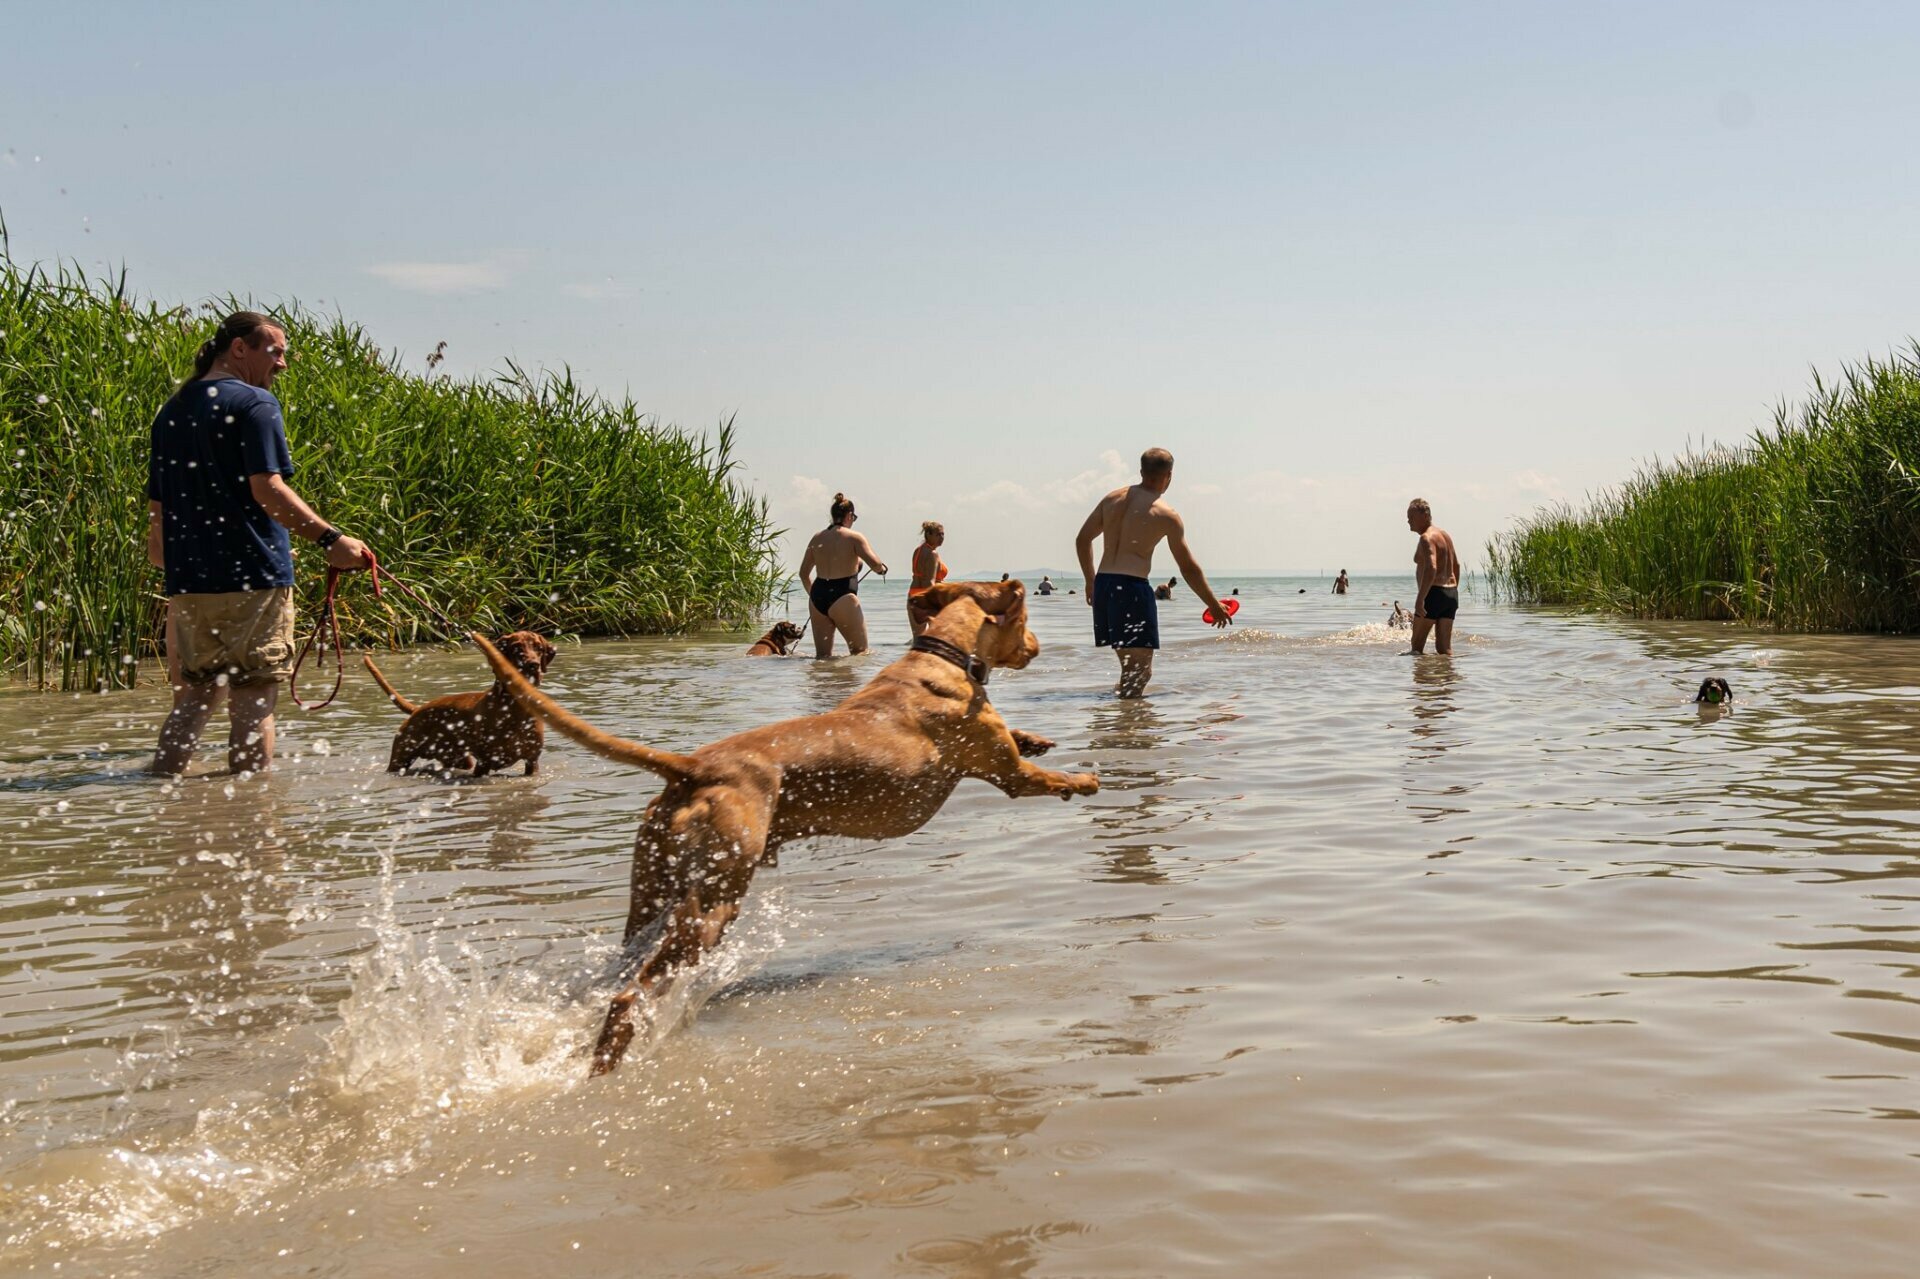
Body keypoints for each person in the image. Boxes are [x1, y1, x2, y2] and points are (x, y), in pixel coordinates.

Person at [147, 310, 373, 776]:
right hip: (253, 579)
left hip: (189, 582)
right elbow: (266, 488)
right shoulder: (255, 404)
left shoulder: (172, 410)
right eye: (276, 352)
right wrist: (331, 539)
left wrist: (178, 571)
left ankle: (159, 798)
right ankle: (252, 818)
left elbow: (157, 514)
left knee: (194, 698)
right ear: (239, 349)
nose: (283, 364)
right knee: (253, 702)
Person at [1075, 447, 1230, 698]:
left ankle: (1116, 720)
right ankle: (1125, 731)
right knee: (1140, 671)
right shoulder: (1166, 514)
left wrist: (1090, 581)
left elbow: (1082, 540)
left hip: (1104, 585)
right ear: (1169, 475)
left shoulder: (1111, 499)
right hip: (1131, 589)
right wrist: (1212, 604)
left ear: (1141, 471)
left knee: (1130, 668)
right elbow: (1187, 567)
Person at [799, 492, 887, 656]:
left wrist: (815, 596)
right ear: (849, 516)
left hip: (817, 597)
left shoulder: (817, 538)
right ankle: (849, 683)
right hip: (843, 597)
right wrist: (882, 569)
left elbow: (803, 574)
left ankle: (824, 682)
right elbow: (875, 564)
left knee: (822, 658)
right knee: (861, 653)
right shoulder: (854, 537)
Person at [1406, 498, 1461, 655]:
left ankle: (1421, 679)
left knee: (1416, 646)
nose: (1408, 521)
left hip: (1433, 593)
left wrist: (1420, 599)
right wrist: (1453, 592)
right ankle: (1448, 677)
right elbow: (1456, 565)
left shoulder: (1426, 538)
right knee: (1444, 649)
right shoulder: (1444, 535)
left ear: (1425, 515)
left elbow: (1432, 567)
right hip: (1450, 594)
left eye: (1412, 517)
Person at [907, 520, 949, 638]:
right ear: (928, 534)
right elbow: (929, 582)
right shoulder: (932, 554)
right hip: (926, 597)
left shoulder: (918, 550)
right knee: (937, 638)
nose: (941, 537)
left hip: (913, 595)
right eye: (938, 534)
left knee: (918, 639)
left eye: (943, 534)